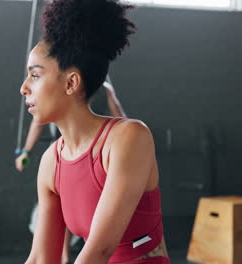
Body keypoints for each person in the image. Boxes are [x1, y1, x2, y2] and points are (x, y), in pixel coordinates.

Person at [21, 0, 169, 263]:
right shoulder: (50, 162)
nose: (24, 88)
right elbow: (41, 258)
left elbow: (97, 253)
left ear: (71, 83)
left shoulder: (130, 138)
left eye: (35, 75)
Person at [16, 81, 126, 264]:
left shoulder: (100, 89)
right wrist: (26, 151)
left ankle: (66, 256)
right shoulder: (102, 89)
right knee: (66, 208)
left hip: (91, 153)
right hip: (80, 153)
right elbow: (120, 116)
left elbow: (120, 117)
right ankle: (65, 256)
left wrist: (26, 151)